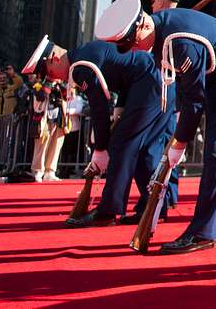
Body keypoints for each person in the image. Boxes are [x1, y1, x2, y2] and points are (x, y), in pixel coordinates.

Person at [95, 0, 216, 254]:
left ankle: (203, 232)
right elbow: (187, 90)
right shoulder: (161, 34)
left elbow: (194, 100)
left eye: (133, 42)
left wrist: (179, 142)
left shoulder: (178, 41)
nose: (135, 49)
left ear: (143, 26)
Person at [19, 35, 176, 226]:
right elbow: (128, 69)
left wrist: (101, 148)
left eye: (47, 72)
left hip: (150, 85)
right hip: (159, 82)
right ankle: (153, 206)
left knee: (121, 144)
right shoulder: (85, 54)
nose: (51, 78)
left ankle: (109, 211)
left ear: (54, 58)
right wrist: (121, 108)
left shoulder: (80, 66)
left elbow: (99, 107)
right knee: (145, 149)